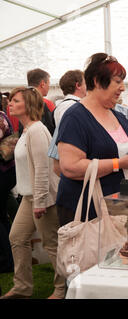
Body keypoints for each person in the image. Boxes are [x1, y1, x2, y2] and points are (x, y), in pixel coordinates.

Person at [56, 54, 128, 227]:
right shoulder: (75, 117)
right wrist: (118, 163)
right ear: (97, 81)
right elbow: (69, 167)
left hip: (122, 209)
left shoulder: (119, 116)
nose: (122, 88)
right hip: (91, 213)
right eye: (117, 81)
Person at [0, 87, 64, 299]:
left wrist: (40, 201)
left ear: (27, 105)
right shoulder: (28, 130)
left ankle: (62, 288)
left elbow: (43, 169)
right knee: (17, 237)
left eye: (15, 101)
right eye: (10, 101)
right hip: (30, 196)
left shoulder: (36, 130)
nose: (10, 104)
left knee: (51, 243)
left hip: (42, 197)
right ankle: (23, 287)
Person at [0, 110, 15, 273]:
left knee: (1, 217)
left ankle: (7, 259)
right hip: (7, 172)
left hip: (3, 172)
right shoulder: (2, 115)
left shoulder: (0, 118)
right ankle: (9, 258)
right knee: (2, 216)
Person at [26, 68, 56, 135]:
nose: (49, 87)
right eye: (48, 83)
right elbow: (51, 129)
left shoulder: (15, 103)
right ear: (42, 84)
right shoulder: (46, 104)